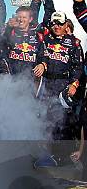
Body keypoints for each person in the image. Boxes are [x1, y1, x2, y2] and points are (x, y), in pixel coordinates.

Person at [34, 11, 83, 140]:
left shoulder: (75, 43)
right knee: (42, 118)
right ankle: (42, 151)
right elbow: (40, 55)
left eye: (60, 23)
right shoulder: (45, 39)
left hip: (63, 84)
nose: (57, 26)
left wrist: (73, 84)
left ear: (66, 24)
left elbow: (78, 67)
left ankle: (61, 153)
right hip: (46, 83)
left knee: (61, 120)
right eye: (54, 23)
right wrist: (42, 64)